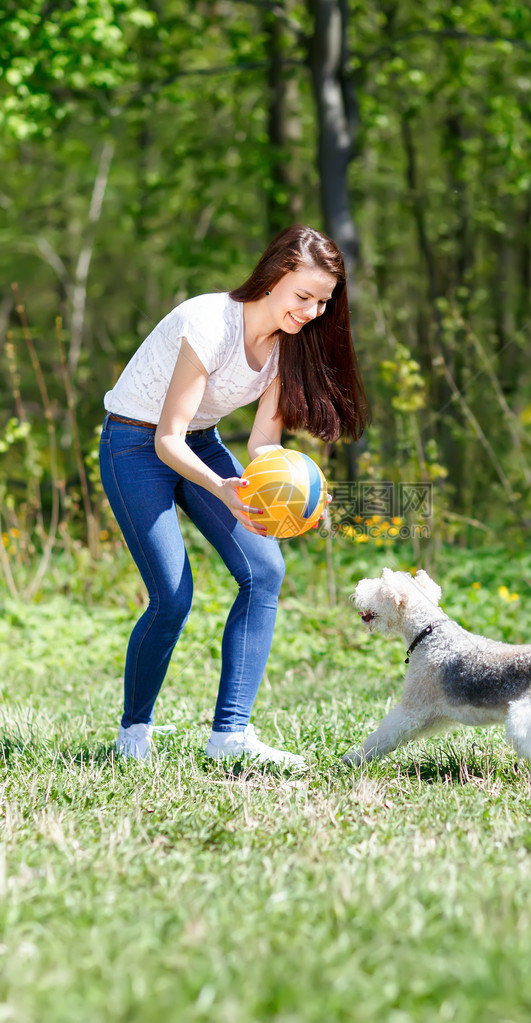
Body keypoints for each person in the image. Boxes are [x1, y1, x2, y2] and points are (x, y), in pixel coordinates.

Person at [99, 225, 369, 764]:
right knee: (173, 597)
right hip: (135, 444)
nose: (312, 311)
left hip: (201, 442)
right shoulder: (209, 322)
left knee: (264, 571)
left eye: (321, 302)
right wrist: (224, 488)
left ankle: (230, 736)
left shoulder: (287, 346)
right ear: (274, 277)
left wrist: (301, 494)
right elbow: (166, 439)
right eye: (303, 296)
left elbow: (264, 442)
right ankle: (134, 732)